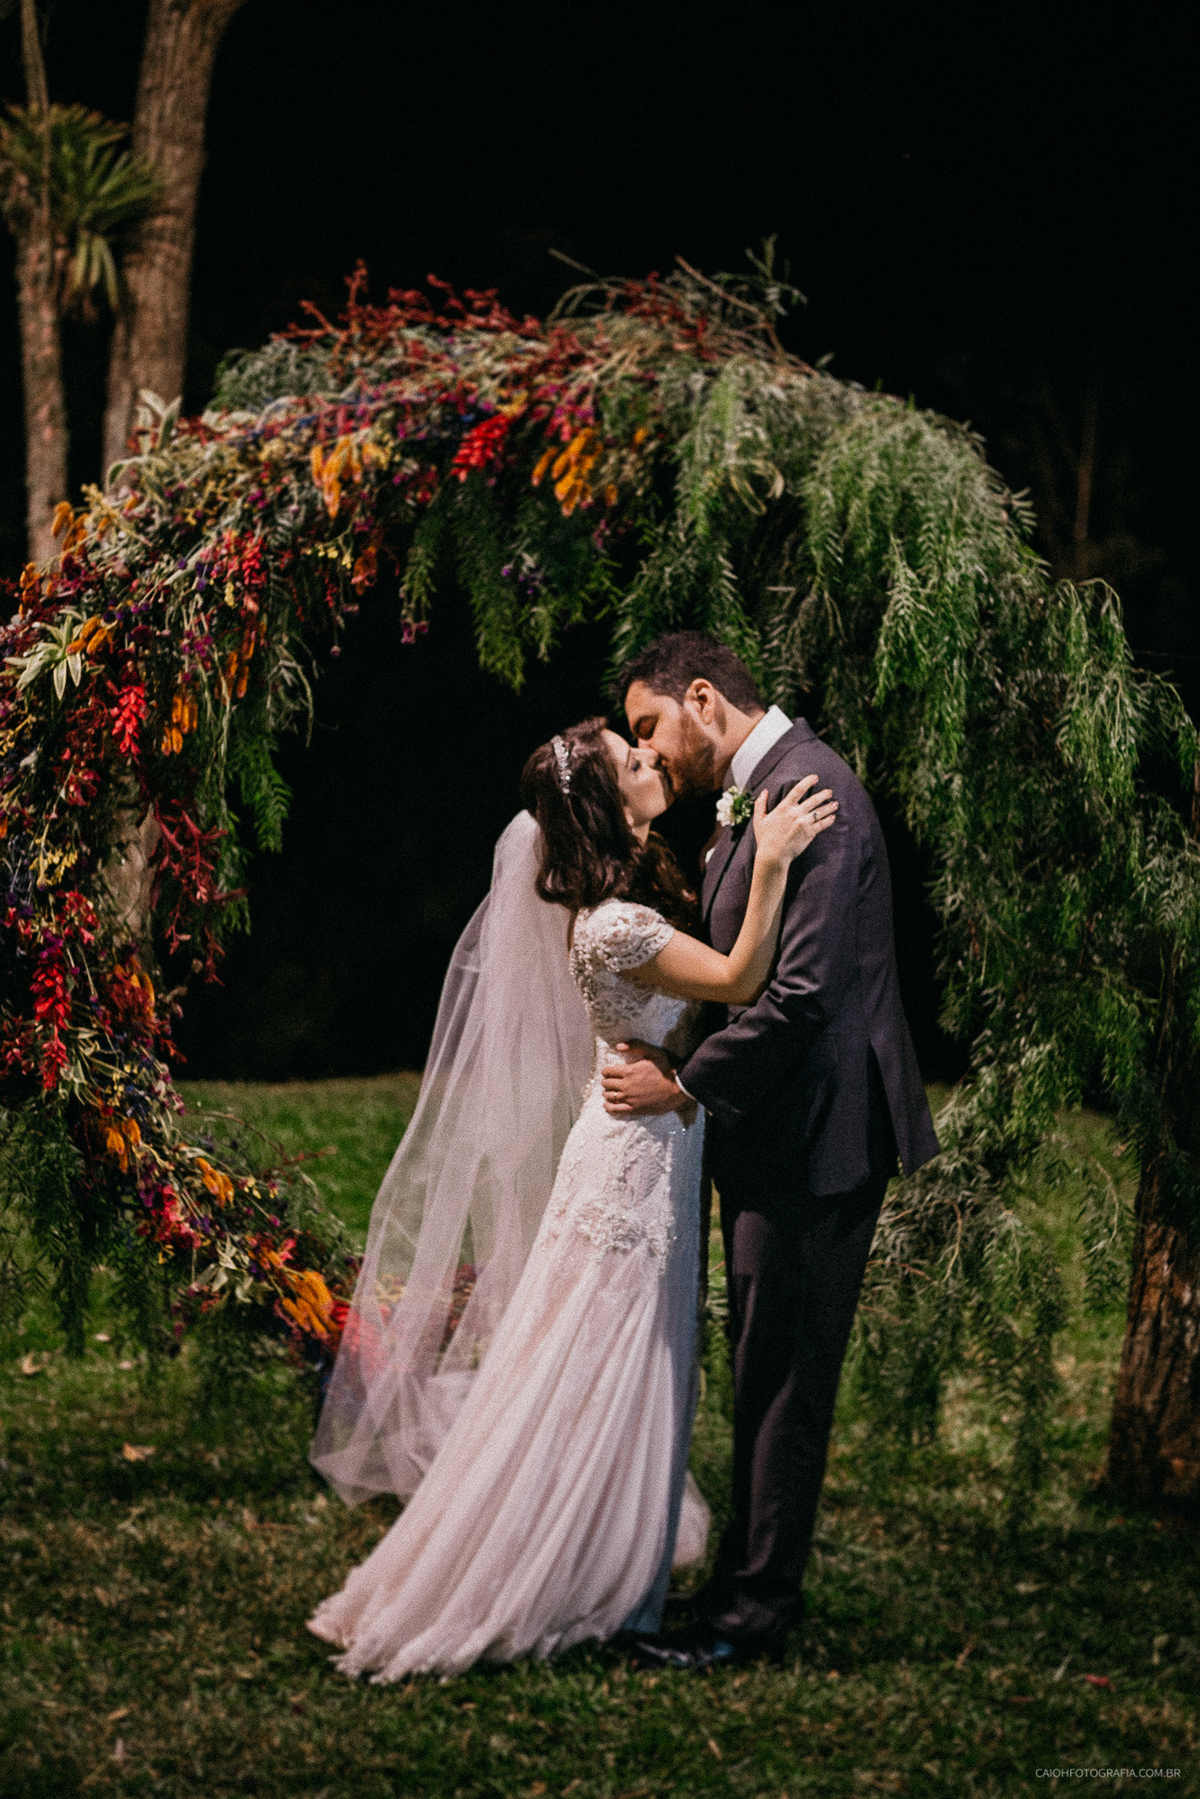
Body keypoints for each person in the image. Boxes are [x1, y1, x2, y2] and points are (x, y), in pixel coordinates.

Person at [307, 715, 838, 1679]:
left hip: (645, 1140)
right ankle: (548, 1562)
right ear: (602, 802)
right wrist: (771, 861)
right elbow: (736, 976)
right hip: (630, 1166)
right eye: (629, 760)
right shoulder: (616, 922)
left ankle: (607, 1554)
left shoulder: (624, 899)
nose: (650, 759)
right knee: (600, 1349)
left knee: (623, 1348)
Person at [602, 631, 940, 1671]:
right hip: (782, 1126)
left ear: (703, 698)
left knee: (785, 1374)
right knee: (762, 1361)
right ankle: (741, 1584)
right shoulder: (763, 799)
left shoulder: (812, 792)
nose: (650, 753)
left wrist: (684, 1081)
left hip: (820, 1132)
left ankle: (753, 1616)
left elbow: (801, 994)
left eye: (652, 727)